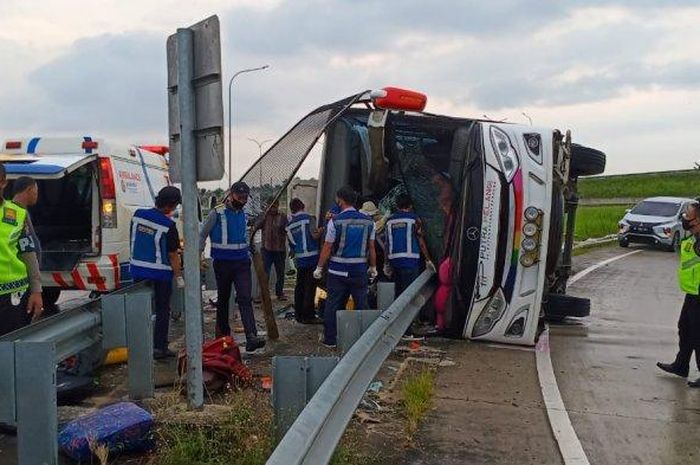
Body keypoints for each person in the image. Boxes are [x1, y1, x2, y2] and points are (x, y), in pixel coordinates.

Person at [200, 181, 266, 353]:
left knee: (245, 298)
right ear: (231, 194)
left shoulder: (244, 213)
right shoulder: (217, 213)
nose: (242, 200)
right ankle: (223, 336)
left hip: (242, 262)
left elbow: (246, 235)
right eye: (240, 197)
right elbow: (202, 234)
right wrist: (198, 256)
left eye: (245, 198)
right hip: (222, 263)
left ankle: (251, 335)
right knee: (223, 299)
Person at [314, 186, 377, 348]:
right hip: (359, 271)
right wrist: (373, 267)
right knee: (361, 304)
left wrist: (319, 268)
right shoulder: (369, 222)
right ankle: (365, 340)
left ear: (340, 200)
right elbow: (371, 247)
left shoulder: (335, 221)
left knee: (333, 304)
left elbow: (327, 247)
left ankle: (330, 339)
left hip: (337, 272)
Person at [129, 186, 184, 359]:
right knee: (162, 310)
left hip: (137, 269)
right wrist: (179, 276)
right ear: (170, 205)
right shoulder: (169, 225)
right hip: (160, 274)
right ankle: (159, 347)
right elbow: (173, 255)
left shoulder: (137, 215)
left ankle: (139, 345)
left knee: (140, 309)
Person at [657, 201, 700, 388]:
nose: (684, 220)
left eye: (688, 217)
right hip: (693, 292)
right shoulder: (695, 238)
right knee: (685, 328)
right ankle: (681, 364)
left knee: (698, 333)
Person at [0, 163, 43, 336]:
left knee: (11, 350)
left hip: (12, 296)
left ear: (3, 182)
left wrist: (36, 291)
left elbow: (29, 253)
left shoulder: (16, 214)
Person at [384, 194, 435, 298]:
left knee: (399, 294)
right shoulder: (415, 219)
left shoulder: (389, 221)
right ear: (411, 206)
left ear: (397, 206)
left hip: (395, 262)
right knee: (411, 294)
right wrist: (428, 259)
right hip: (411, 261)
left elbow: (387, 244)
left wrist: (386, 263)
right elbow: (420, 241)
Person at [286, 198, 323, 324]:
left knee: (299, 286)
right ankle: (308, 316)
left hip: (300, 259)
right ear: (303, 205)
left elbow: (292, 245)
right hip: (312, 257)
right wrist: (322, 231)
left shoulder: (289, 225)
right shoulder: (309, 218)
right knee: (310, 287)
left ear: (292, 209)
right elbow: (314, 235)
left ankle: (298, 314)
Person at [253, 197, 288, 301]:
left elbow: (288, 231)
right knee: (264, 273)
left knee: (280, 273)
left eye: (274, 206)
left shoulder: (283, 217)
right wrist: (262, 217)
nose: (272, 209)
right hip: (266, 250)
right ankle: (262, 294)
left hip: (280, 250)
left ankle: (279, 293)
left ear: (278, 206)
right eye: (270, 206)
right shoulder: (264, 216)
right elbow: (255, 227)